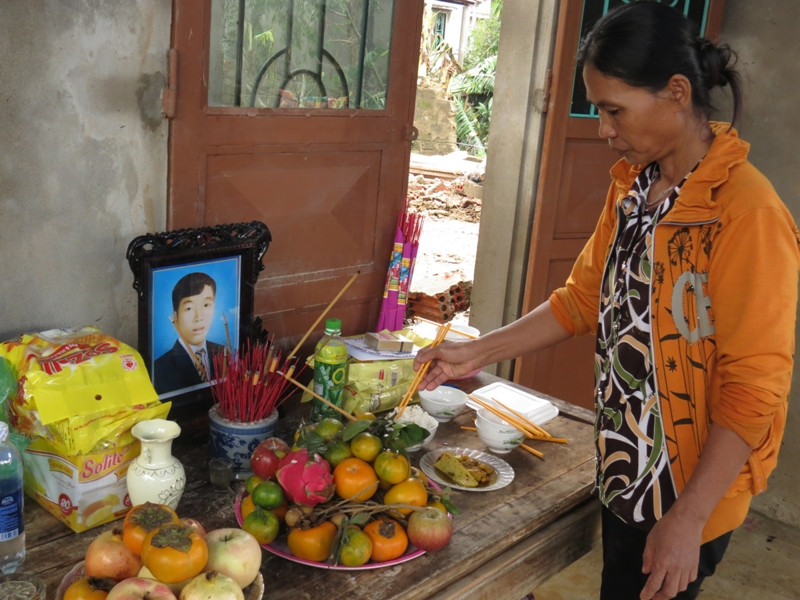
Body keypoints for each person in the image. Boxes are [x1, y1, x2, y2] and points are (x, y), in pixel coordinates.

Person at [414, 3, 800, 599]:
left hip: (686, 490)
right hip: (625, 463)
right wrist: (473, 352)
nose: (603, 128)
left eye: (613, 109)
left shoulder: (746, 213)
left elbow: (754, 389)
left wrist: (689, 519)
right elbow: (580, 301)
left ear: (676, 92)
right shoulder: (637, 187)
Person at [153, 271, 226, 395]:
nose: (199, 317)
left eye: (206, 305)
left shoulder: (224, 353)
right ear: (175, 316)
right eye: (189, 308)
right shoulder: (159, 369)